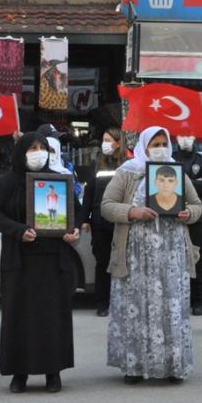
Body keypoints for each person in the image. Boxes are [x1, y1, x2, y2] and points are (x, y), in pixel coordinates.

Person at [101, 126, 202, 384]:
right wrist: (133, 212)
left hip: (171, 254)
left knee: (170, 307)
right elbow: (107, 206)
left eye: (163, 143)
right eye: (154, 144)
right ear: (144, 146)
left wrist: (188, 214)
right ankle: (134, 367)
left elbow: (197, 204)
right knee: (136, 307)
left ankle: (172, 365)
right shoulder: (128, 172)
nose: (159, 148)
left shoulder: (176, 171)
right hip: (136, 254)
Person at [0, 133, 80, 393]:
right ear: (21, 152)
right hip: (20, 260)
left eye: (42, 148)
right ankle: (19, 373)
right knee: (19, 316)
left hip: (53, 260)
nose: (38, 153)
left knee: (52, 317)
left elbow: (77, 210)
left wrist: (73, 230)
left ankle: (54, 371)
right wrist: (17, 230)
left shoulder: (60, 180)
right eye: (32, 148)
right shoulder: (7, 182)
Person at [82, 127, 127, 317]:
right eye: (104, 139)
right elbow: (88, 194)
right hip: (100, 222)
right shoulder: (97, 164)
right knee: (102, 263)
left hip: (121, 221)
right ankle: (102, 303)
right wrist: (85, 219)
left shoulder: (127, 164)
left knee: (121, 263)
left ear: (118, 143)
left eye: (108, 140)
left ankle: (121, 302)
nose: (105, 143)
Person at [173, 134, 202, 316]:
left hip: (197, 218)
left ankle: (197, 301)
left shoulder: (200, 160)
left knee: (196, 259)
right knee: (175, 260)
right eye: (182, 136)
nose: (185, 139)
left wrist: (183, 184)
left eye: (189, 135)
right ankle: (178, 300)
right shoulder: (171, 159)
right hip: (174, 217)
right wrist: (193, 183)